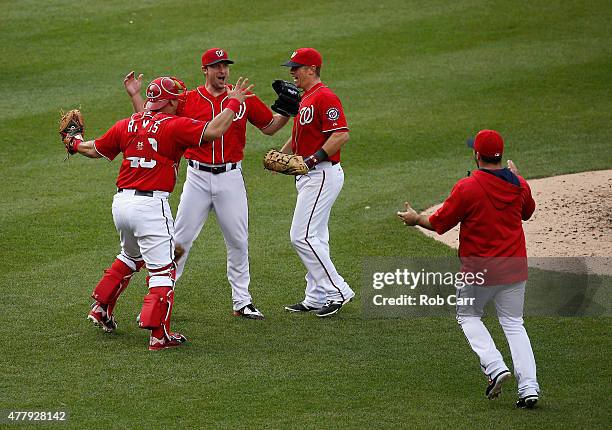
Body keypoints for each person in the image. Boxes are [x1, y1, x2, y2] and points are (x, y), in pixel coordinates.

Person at [67, 76, 253, 350]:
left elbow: (92, 150)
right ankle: (159, 335)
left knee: (130, 256)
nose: (181, 104)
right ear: (167, 102)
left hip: (121, 204)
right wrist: (233, 102)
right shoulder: (175, 126)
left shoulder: (128, 124)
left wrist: (73, 141)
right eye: (177, 100)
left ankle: (101, 309)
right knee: (164, 270)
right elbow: (214, 131)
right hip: (150, 207)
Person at [124, 48, 290, 320]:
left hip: (231, 178)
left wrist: (287, 109)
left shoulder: (242, 98)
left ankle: (242, 302)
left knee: (238, 241)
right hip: (197, 178)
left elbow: (270, 126)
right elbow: (151, 120)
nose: (223, 71)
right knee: (180, 241)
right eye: (216, 66)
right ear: (205, 70)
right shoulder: (188, 99)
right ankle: (162, 298)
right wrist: (135, 95)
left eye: (225, 66)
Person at [397, 129, 540, 408]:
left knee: (468, 316)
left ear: (477, 155)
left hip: (480, 270)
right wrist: (520, 178)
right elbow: (527, 211)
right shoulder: (518, 183)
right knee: (513, 325)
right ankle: (529, 387)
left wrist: (415, 219)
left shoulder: (468, 187)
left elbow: (440, 223)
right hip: (514, 269)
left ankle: (495, 366)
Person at [278, 48, 355, 317]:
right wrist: (282, 154)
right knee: (317, 237)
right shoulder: (306, 98)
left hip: (321, 173)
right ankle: (316, 296)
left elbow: (341, 135)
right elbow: (299, 133)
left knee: (301, 236)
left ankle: (339, 290)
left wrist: (311, 160)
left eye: (296, 67)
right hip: (309, 176)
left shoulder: (325, 97)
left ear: (311, 69)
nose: (292, 72)